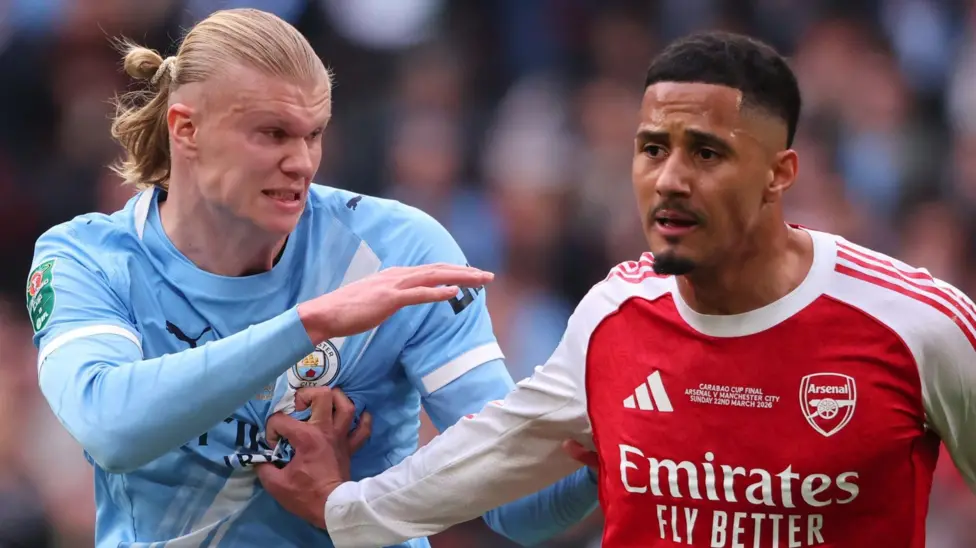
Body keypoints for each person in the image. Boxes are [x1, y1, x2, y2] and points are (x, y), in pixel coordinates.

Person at [254, 31, 976, 548]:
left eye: (707, 153)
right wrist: (346, 508)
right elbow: (497, 452)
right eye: (653, 148)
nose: (670, 179)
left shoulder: (917, 325)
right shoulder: (614, 316)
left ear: (778, 174)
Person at [27, 8, 599, 548]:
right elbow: (111, 429)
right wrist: (308, 324)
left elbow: (519, 506)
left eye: (314, 134)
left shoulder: (399, 252)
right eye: (272, 134)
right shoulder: (87, 258)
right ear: (187, 129)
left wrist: (608, 449)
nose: (301, 162)